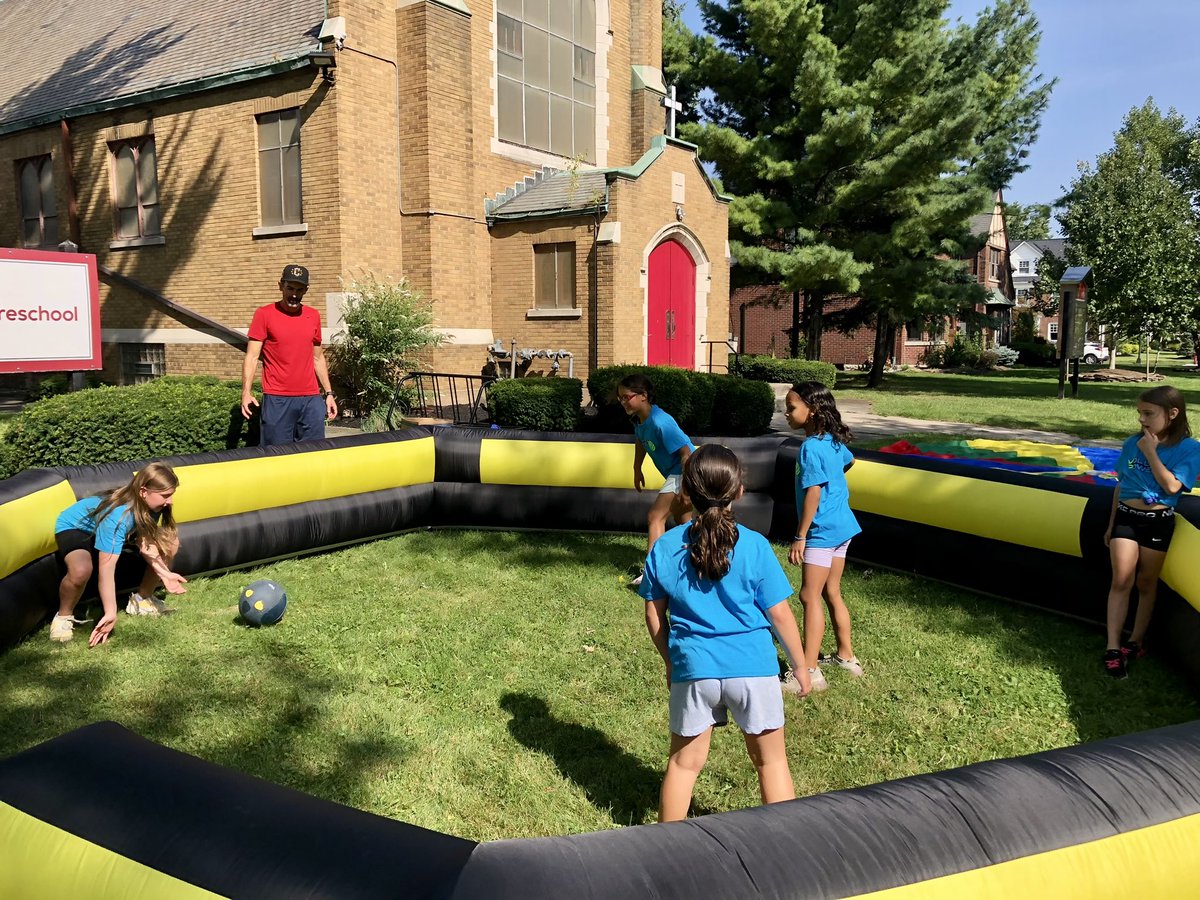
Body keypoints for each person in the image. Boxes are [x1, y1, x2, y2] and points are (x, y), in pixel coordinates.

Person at [639, 444, 806, 822]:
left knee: (683, 765)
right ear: (740, 491)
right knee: (771, 762)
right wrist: (801, 666)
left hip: (694, 670)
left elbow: (653, 612)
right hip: (754, 668)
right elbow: (779, 615)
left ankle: (666, 851)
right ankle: (789, 849)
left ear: (685, 494)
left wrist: (671, 661)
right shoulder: (756, 546)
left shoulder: (665, 545)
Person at [1103, 385, 1200, 678]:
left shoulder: (1189, 448)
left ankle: (1136, 642)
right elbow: (1121, 485)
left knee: (1146, 583)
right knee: (1121, 580)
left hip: (1158, 523)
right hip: (1127, 518)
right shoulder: (1133, 443)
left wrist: (1152, 452)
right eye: (1139, 414)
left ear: (1172, 414)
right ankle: (1112, 648)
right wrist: (1111, 525)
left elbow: (1172, 487)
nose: (1142, 420)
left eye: (1149, 414)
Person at [50, 462, 187, 647]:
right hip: (76, 527)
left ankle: (142, 600)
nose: (170, 501)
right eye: (165, 495)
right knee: (81, 569)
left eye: (171, 495)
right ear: (144, 491)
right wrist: (110, 612)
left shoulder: (153, 507)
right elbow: (106, 568)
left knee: (170, 543)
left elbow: (146, 544)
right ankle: (63, 617)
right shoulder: (118, 516)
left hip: (105, 530)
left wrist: (165, 574)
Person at [783, 381, 863, 695]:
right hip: (844, 526)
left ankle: (810, 671)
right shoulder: (830, 441)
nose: (787, 414)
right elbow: (849, 460)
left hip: (822, 532)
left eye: (791, 408)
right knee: (832, 591)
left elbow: (813, 492)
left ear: (812, 410)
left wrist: (800, 536)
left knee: (808, 596)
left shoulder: (809, 447)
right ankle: (846, 657)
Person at [241, 264, 338, 446]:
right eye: (290, 288)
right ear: (280, 286)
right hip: (278, 399)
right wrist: (245, 392)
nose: (294, 294)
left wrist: (329, 393)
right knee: (276, 456)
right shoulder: (264, 314)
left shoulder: (313, 315)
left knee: (314, 455)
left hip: (311, 399)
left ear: (305, 290)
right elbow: (252, 357)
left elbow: (318, 358)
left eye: (299, 290)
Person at [617, 373, 695, 586]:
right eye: (620, 398)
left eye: (627, 397)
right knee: (684, 521)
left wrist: (686, 489)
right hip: (679, 472)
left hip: (687, 470)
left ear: (643, 396)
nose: (623, 401)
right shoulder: (640, 420)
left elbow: (686, 453)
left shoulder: (661, 421)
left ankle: (652, 574)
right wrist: (637, 468)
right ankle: (700, 560)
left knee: (655, 516)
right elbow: (641, 440)